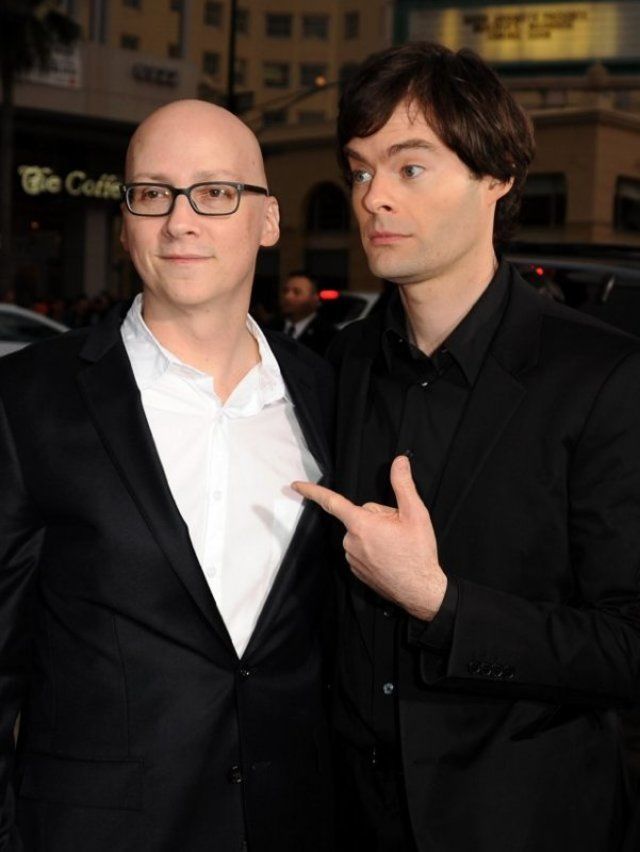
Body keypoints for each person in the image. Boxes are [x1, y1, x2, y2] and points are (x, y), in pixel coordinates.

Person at [294, 42, 640, 852]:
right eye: (360, 170)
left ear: (498, 176)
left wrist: (440, 603)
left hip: (523, 821)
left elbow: (628, 646)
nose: (374, 196)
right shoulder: (340, 363)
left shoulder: (601, 377)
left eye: (410, 167)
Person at [0, 100, 334, 852]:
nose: (180, 221)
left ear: (269, 220)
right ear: (125, 224)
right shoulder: (26, 401)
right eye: (153, 193)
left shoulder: (330, 396)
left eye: (215, 192)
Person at [274, 270, 336, 356]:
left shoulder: (327, 335)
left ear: (315, 298)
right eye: (285, 291)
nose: (288, 296)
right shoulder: (271, 327)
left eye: (297, 292)